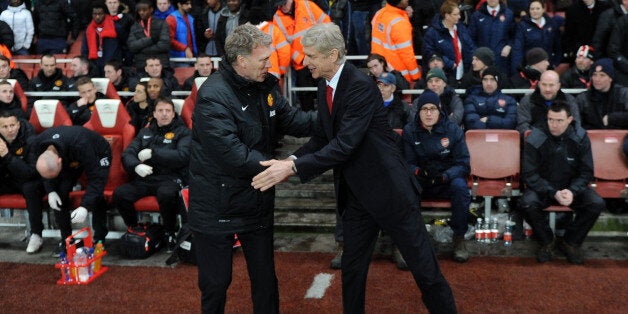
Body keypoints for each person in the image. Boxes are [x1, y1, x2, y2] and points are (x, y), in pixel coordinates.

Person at [251, 23, 456, 313]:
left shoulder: (360, 85)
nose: (304, 61)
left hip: (391, 193)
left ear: (332, 55)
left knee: (425, 271)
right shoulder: (324, 86)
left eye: (310, 55)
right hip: (358, 197)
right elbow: (323, 138)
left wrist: (292, 170)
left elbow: (344, 145)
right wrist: (289, 161)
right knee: (352, 270)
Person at [187, 24, 316, 313]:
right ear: (241, 61)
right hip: (215, 206)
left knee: (265, 279)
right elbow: (233, 154)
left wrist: (337, 113)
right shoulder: (212, 96)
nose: (269, 64)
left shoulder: (265, 87)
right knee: (216, 284)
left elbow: (295, 120)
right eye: (263, 60)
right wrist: (283, 167)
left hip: (256, 200)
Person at [520, 101, 605, 264]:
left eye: (559, 120)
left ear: (569, 119)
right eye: (550, 119)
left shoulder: (580, 137)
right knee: (526, 203)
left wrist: (572, 191)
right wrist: (553, 192)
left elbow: (587, 171)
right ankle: (547, 241)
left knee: (596, 203)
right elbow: (529, 173)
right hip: (544, 188)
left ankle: (571, 242)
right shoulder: (535, 137)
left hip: (571, 189)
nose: (554, 124)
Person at [113, 97, 190, 253]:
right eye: (160, 111)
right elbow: (128, 154)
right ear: (154, 114)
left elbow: (183, 156)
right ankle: (135, 229)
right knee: (120, 194)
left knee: (166, 194)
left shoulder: (183, 132)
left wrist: (154, 154)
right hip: (146, 178)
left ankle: (170, 232)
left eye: (168, 111)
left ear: (174, 114)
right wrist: (136, 166)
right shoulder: (145, 132)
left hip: (171, 178)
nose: (164, 114)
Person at [404, 90, 472, 263]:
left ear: (439, 110)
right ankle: (405, 242)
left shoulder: (453, 130)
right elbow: (406, 163)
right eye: (424, 109)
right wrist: (419, 172)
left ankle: (459, 238)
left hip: (445, 180)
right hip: (421, 179)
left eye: (432, 109)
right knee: (403, 188)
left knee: (461, 187)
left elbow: (463, 164)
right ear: (418, 111)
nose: (428, 113)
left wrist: (444, 176)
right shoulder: (410, 131)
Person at [23, 126, 111, 256]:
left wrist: (85, 207)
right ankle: (67, 241)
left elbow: (96, 179)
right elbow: (46, 171)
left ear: (60, 162)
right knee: (60, 193)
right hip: (69, 156)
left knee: (96, 195)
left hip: (98, 153)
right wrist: (51, 190)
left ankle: (99, 239)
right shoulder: (37, 145)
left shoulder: (81, 145)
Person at [273, 0, 330, 111]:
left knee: (324, 91)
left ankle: (327, 118)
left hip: (318, 58)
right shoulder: (277, 18)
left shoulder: (307, 5)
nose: (282, 7)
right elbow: (284, 45)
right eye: (280, 5)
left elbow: (326, 23)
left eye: (284, 3)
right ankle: (309, 123)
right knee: (305, 95)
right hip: (300, 64)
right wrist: (300, 58)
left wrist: (321, 48)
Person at [0, 110, 38, 252]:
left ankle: (36, 234)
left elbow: (29, 173)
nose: (10, 130)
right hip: (7, 179)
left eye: (12, 125)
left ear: (18, 125)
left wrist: (6, 156)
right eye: (5, 127)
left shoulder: (30, 139)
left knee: (30, 187)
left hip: (28, 180)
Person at [423, 0, 475, 83]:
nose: (459, 17)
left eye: (459, 14)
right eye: (455, 14)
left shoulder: (461, 28)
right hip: (445, 76)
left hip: (463, 73)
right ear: (447, 16)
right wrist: (448, 63)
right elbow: (429, 52)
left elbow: (470, 46)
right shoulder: (433, 33)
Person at [371, 0, 421, 82]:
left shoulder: (379, 13)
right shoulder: (400, 23)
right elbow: (407, 55)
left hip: (380, 72)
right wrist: (416, 77)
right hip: (399, 76)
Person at [517, 70, 581, 135]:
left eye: (551, 85)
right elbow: (523, 126)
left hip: (563, 142)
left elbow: (575, 125)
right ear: (539, 84)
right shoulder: (527, 101)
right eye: (544, 85)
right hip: (536, 142)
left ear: (558, 86)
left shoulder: (569, 100)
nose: (547, 89)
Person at [468, 0, 516, 76]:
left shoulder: (509, 14)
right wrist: (478, 54)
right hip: (482, 61)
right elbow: (470, 39)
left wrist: (509, 46)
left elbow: (514, 35)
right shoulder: (477, 15)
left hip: (502, 60)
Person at [511, 0, 561, 73]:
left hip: (547, 66)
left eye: (537, 8)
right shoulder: (522, 26)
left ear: (543, 9)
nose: (535, 11)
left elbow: (557, 46)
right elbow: (518, 49)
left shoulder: (551, 24)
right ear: (529, 10)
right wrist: (518, 68)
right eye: (532, 9)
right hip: (529, 67)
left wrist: (555, 63)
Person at [577, 58, 628, 130]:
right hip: (591, 138)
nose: (597, 79)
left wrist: (611, 118)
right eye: (595, 75)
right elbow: (577, 123)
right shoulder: (583, 98)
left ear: (611, 78)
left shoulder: (623, 94)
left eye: (602, 75)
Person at [562, 0, 609, 64]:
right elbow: (568, 36)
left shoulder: (606, 8)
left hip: (601, 53)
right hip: (579, 53)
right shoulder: (572, 10)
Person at [81, 2, 122, 77]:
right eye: (95, 14)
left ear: (105, 14)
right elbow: (84, 50)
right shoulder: (88, 30)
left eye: (100, 14)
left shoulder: (116, 27)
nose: (97, 17)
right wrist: (91, 66)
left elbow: (124, 46)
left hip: (112, 66)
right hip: (95, 67)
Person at [127, 0, 171, 69]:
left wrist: (141, 49)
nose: (141, 13)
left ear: (151, 10)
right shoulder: (135, 26)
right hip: (142, 65)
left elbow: (164, 45)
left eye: (144, 10)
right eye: (139, 11)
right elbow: (132, 46)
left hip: (161, 64)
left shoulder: (162, 24)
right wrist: (151, 40)